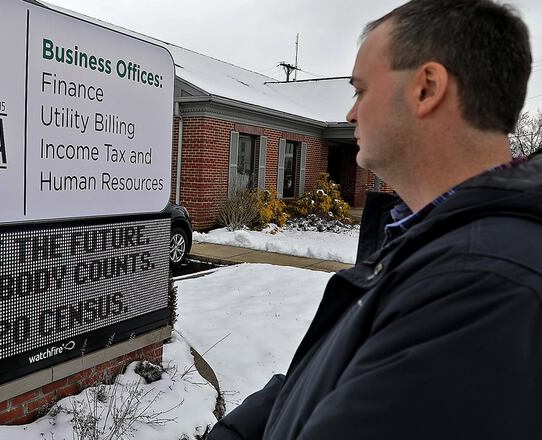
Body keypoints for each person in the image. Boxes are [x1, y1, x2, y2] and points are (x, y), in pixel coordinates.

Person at [208, 0, 542, 438]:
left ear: (426, 88)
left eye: (360, 89)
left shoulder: (481, 283)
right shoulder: (432, 243)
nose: (350, 114)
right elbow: (325, 379)